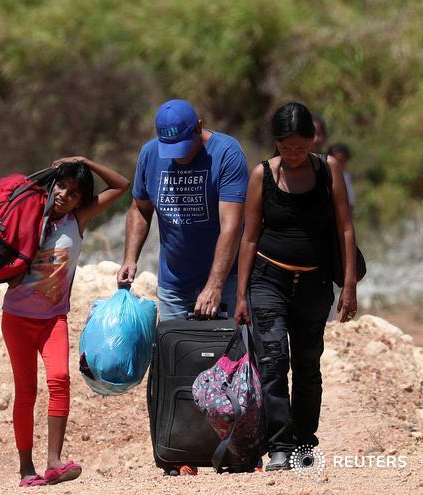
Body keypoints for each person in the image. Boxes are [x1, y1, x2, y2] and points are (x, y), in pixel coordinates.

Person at [234, 102, 358, 471]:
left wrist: (349, 284)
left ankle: (304, 442)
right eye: (286, 147)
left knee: (307, 365)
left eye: (301, 147)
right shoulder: (262, 175)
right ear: (276, 143)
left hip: (315, 284)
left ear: (312, 140)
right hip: (268, 281)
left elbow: (346, 228)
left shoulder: (328, 170)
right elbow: (249, 237)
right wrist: (241, 294)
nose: (293, 154)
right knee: (273, 363)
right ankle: (279, 445)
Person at [1, 156, 130, 487]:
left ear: (80, 201)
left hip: (52, 320)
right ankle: (26, 469)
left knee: (60, 379)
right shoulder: (29, 216)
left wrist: (84, 161)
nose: (64, 195)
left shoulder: (78, 220)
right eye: (61, 186)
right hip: (17, 318)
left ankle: (54, 462)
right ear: (51, 185)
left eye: (74, 193)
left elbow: (122, 186)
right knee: (26, 391)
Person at [117, 99, 249, 322]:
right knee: (175, 343)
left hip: (226, 280)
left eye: (183, 146)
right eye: (170, 148)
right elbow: (140, 209)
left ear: (199, 127)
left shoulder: (227, 154)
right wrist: (130, 258)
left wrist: (214, 286)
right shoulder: (150, 154)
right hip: (174, 285)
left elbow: (232, 226)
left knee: (225, 344)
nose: (178, 155)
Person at [327, 143, 355, 211]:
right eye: (337, 160)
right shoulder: (326, 176)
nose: (339, 164)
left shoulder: (346, 176)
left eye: (343, 160)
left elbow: (350, 201)